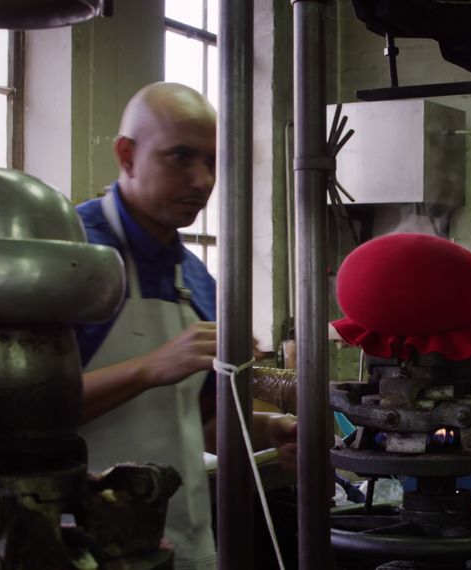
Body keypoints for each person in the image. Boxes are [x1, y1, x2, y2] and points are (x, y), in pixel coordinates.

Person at [74, 82, 296, 570]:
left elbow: (202, 427)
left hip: (185, 543)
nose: (202, 180)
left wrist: (273, 429)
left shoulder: (197, 279)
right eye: (180, 157)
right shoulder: (72, 258)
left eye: (212, 162)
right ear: (127, 155)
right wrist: (151, 367)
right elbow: (20, 418)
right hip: (80, 546)